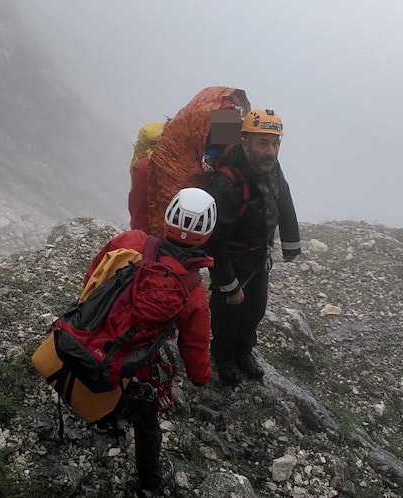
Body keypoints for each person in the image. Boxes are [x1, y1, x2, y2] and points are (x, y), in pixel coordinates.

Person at [86, 187, 217, 496]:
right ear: (208, 233)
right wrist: (201, 377)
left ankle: (104, 419)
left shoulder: (131, 241)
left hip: (100, 334)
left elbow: (96, 273)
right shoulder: (193, 288)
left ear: (167, 217)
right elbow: (195, 344)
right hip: (141, 362)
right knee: (146, 425)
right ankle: (149, 484)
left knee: (106, 371)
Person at [202, 108, 302, 386]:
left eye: (276, 143)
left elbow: (283, 197)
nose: (271, 151)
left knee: (255, 309)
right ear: (244, 142)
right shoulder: (226, 182)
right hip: (231, 260)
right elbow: (213, 239)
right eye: (263, 143)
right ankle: (223, 356)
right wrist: (228, 283)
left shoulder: (271, 167)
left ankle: (244, 352)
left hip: (259, 257)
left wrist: (291, 242)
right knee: (227, 312)